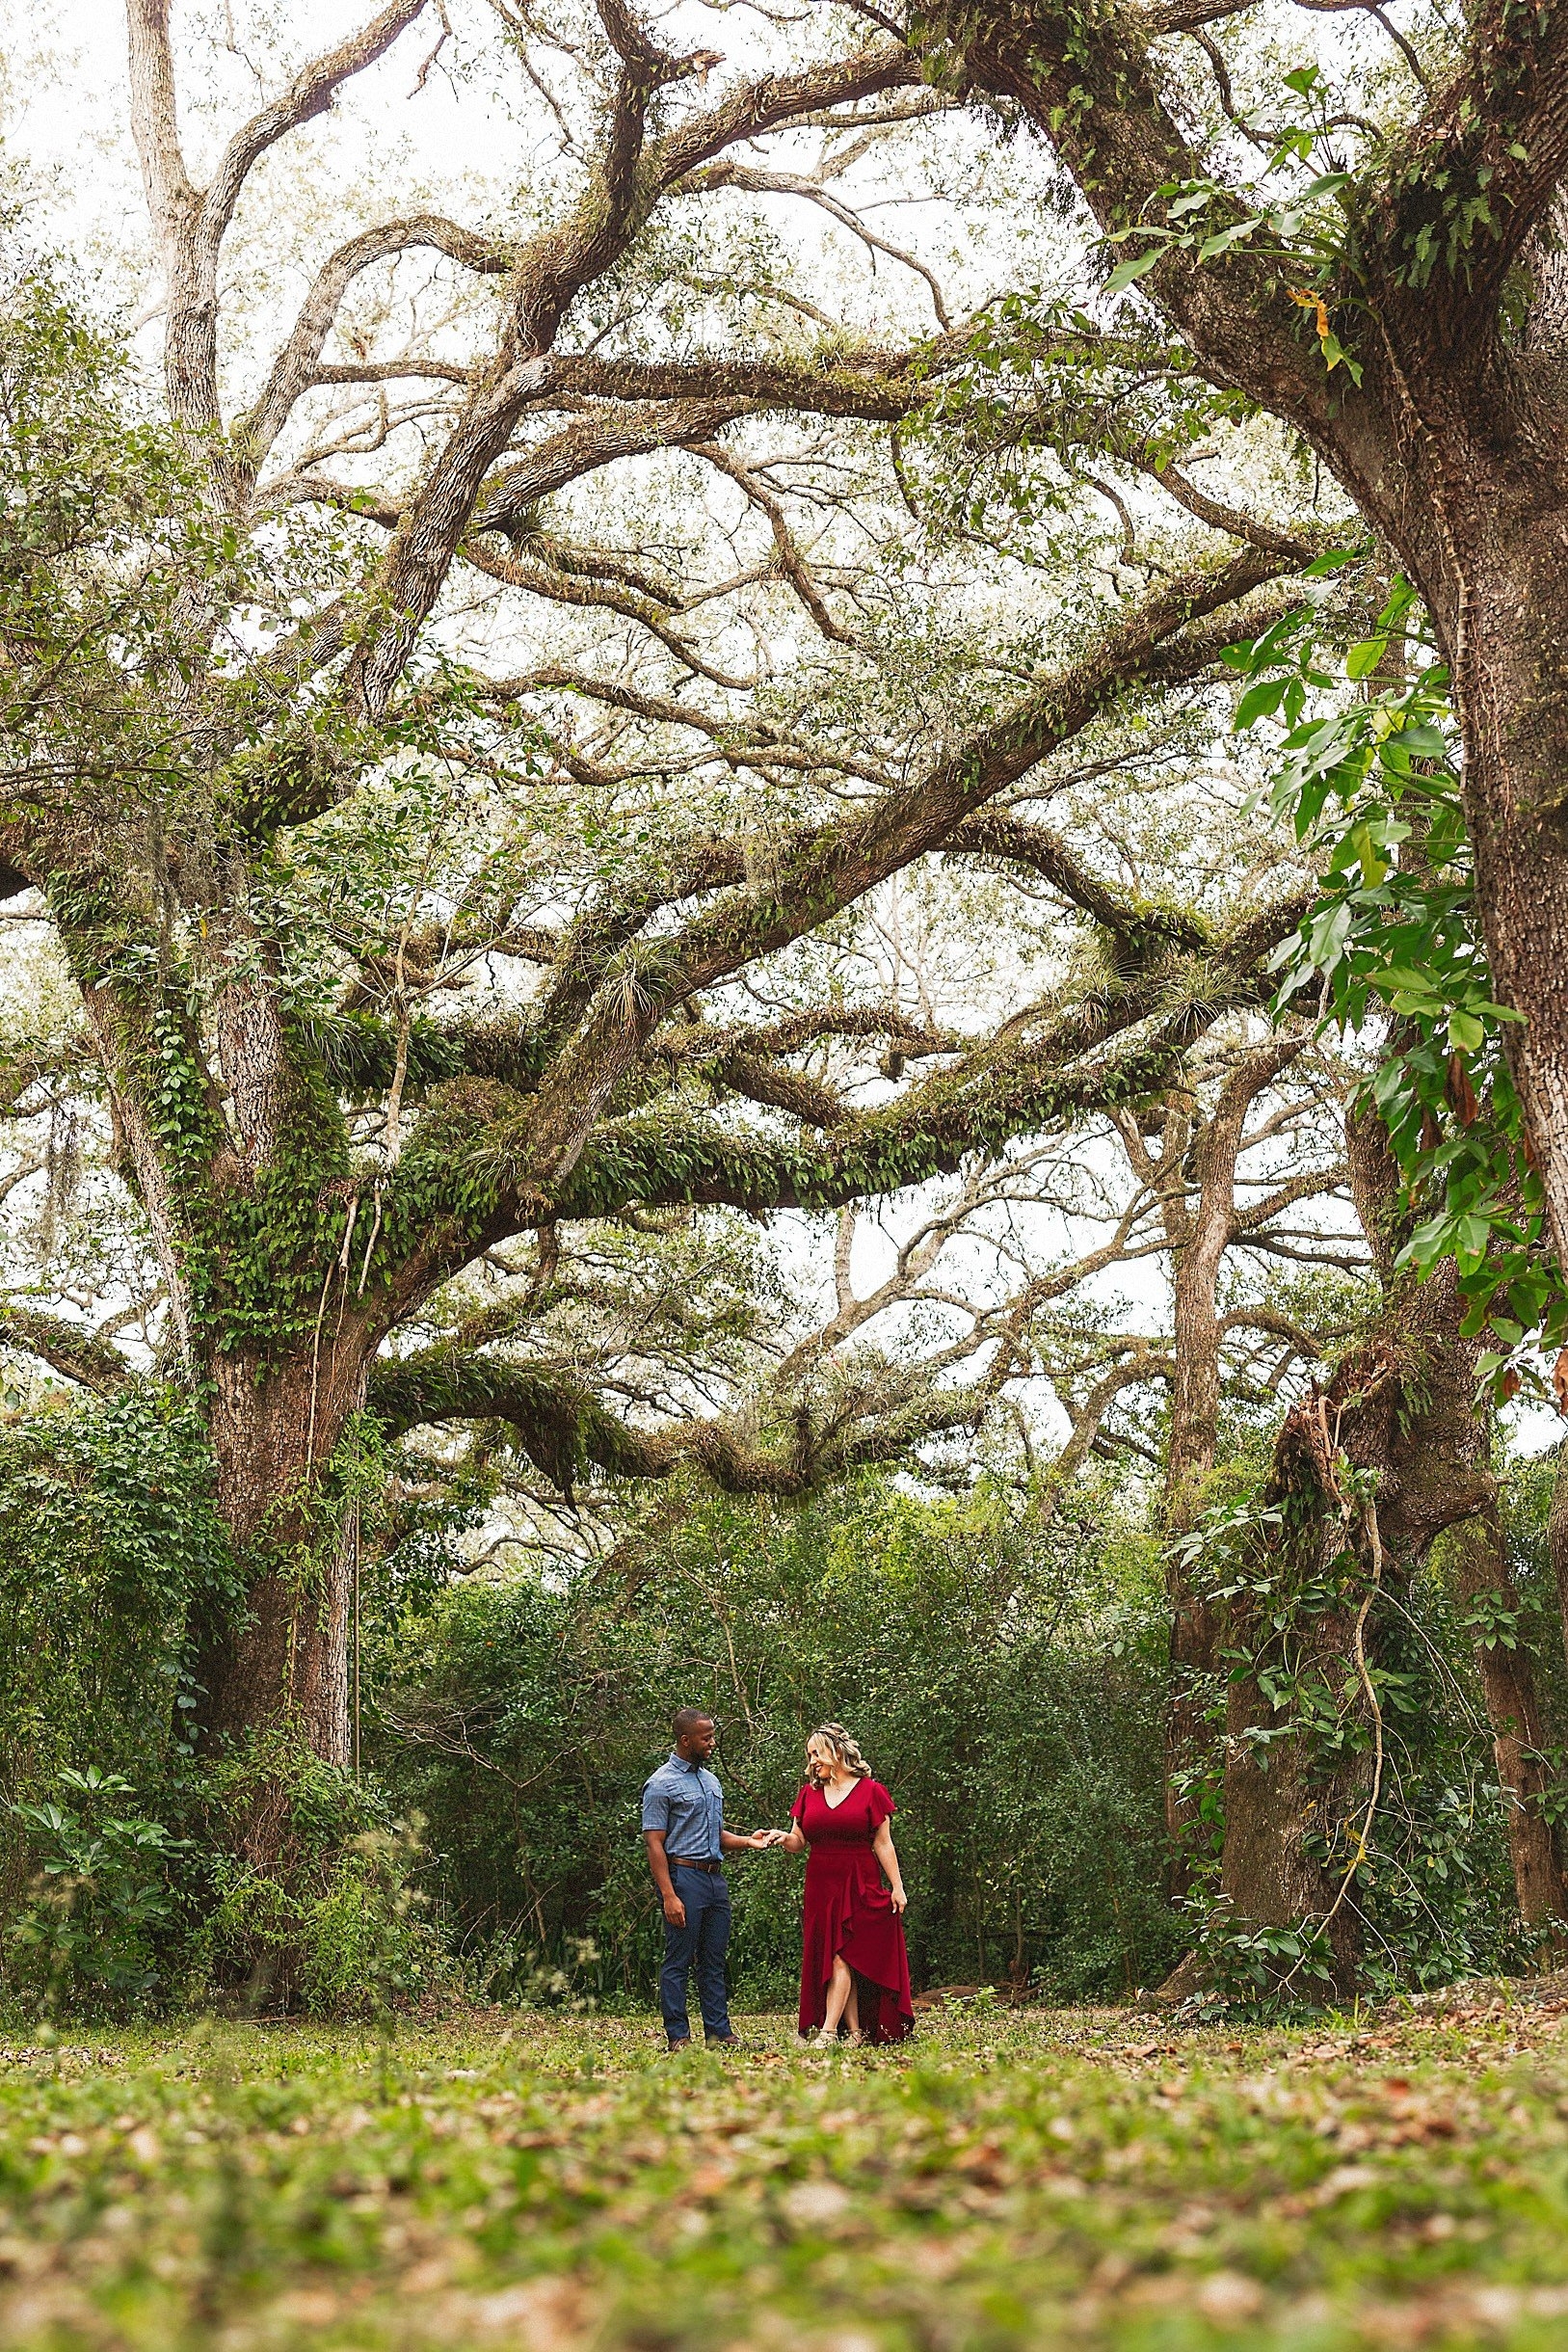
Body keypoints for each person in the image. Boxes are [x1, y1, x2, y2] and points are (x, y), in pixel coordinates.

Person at [770, 1722, 914, 2047]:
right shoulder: (808, 1794)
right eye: (809, 1756)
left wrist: (897, 1886)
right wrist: (782, 1838)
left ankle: (829, 2032)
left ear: (835, 1752)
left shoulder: (871, 1791)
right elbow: (798, 1841)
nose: (811, 1763)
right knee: (835, 1955)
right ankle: (856, 2033)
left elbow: (883, 1844)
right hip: (821, 1885)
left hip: (859, 1882)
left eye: (816, 1754)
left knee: (842, 1955)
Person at [641, 1706, 776, 2052]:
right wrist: (669, 1895)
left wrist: (748, 1841)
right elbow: (654, 1844)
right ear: (686, 1740)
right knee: (679, 1959)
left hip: (715, 1880)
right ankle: (679, 2037)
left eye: (713, 1736)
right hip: (683, 1877)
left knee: (714, 1961)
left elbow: (715, 1836)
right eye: (707, 1737)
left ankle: (720, 2034)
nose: (712, 1742)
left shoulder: (711, 1781)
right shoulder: (660, 1784)